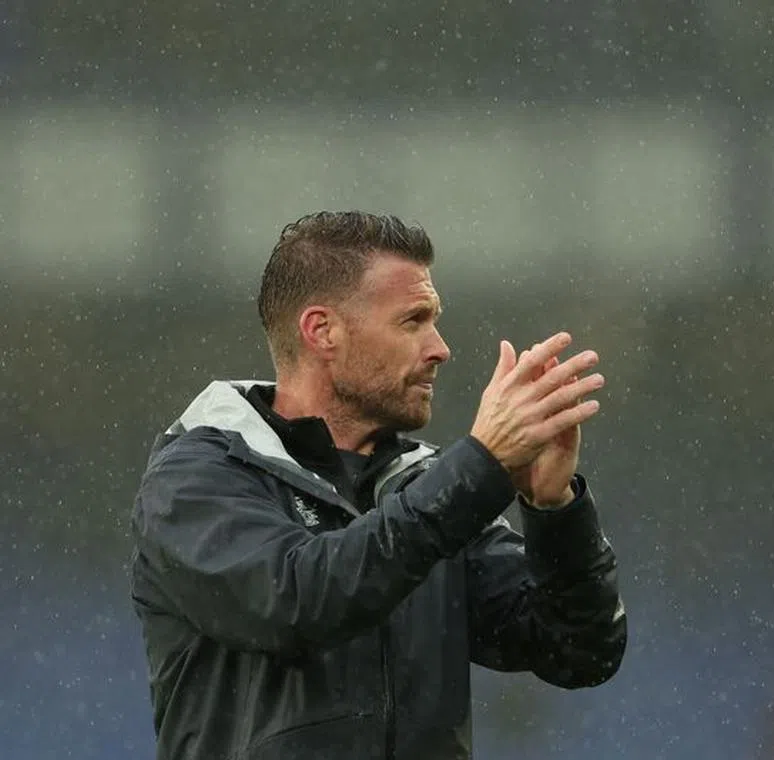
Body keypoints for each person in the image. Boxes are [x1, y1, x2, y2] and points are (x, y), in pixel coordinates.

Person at [128, 211, 627, 760]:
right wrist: (478, 467)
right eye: (413, 321)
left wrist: (553, 508)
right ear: (322, 331)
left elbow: (580, 651)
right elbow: (300, 601)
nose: (440, 348)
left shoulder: (425, 485)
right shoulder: (197, 476)